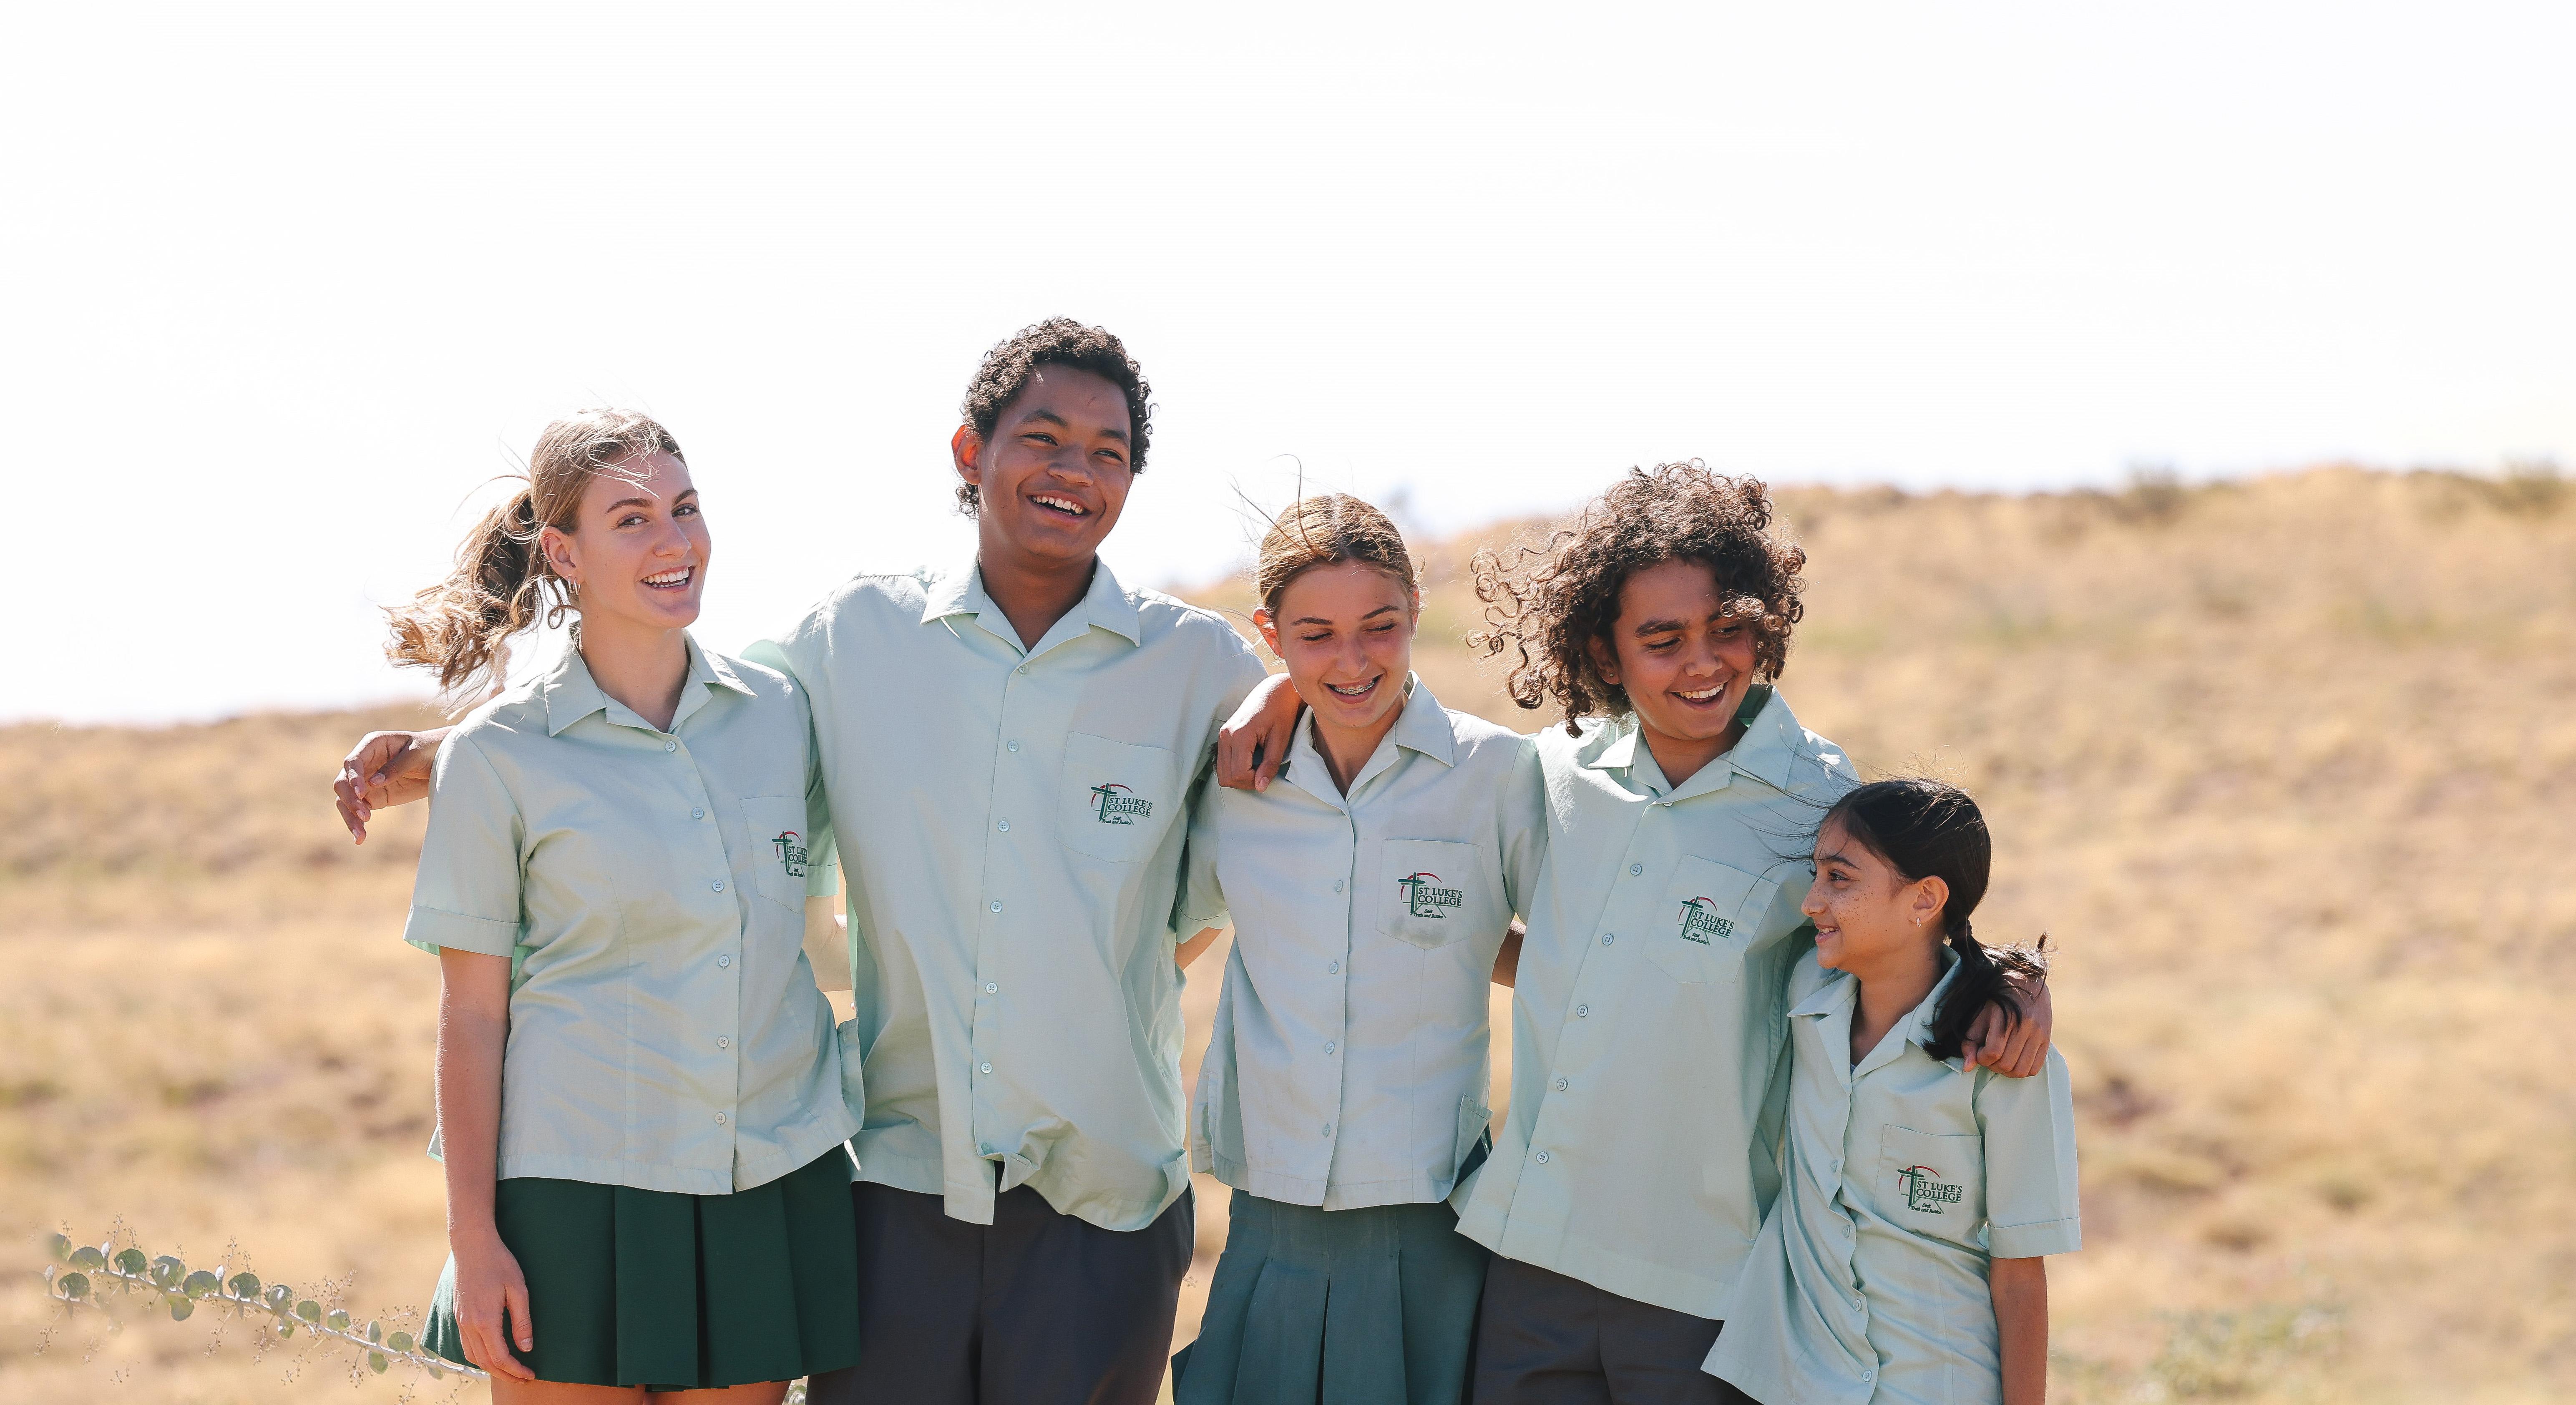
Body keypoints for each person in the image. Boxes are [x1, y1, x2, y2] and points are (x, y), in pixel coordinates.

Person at [335, 321, 1269, 1405]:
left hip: (1089, 1197)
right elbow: (644, 722)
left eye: (1109, 451)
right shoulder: (854, 636)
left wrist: (1290, 695)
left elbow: (1289, 821)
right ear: (970, 453)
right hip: (884, 1190)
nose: (1076, 470)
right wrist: (442, 757)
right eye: (1045, 437)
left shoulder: (1199, 665)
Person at [1217, 462, 2054, 1405]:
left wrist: (2013, 980)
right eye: (1662, 639)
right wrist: (1281, 693)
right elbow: (1432, 827)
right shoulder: (1552, 771)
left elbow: (1903, 932)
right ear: (1604, 653)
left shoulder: (1819, 799)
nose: (1703, 662)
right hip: (1527, 1261)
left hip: (1705, 1284)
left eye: (1728, 629)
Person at [392, 410, 859, 1402]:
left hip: (762, 1177)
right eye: (633, 519)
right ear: (563, 553)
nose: (674, 540)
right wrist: (474, 1238)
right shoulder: (498, 756)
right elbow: (472, 1015)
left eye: (685, 508)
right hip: (573, 1190)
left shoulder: (784, 715)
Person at [1169, 495, 1545, 1405]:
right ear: (1271, 634)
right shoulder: (1234, 782)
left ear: (1416, 607)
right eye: (1315, 635)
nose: (1353, 659)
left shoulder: (1498, 774)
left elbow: (1560, 955)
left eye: (1380, 626)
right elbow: (1169, 940)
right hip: (1268, 1217)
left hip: (1431, 1214)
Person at [1705, 779, 2077, 1405]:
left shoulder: (2009, 1062)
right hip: (1795, 1385)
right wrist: (2026, 973)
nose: (1812, 901)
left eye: (1839, 878)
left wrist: (2023, 983)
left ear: (1925, 898)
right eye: (1815, 875)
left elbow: (2020, 1278)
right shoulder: (1805, 993)